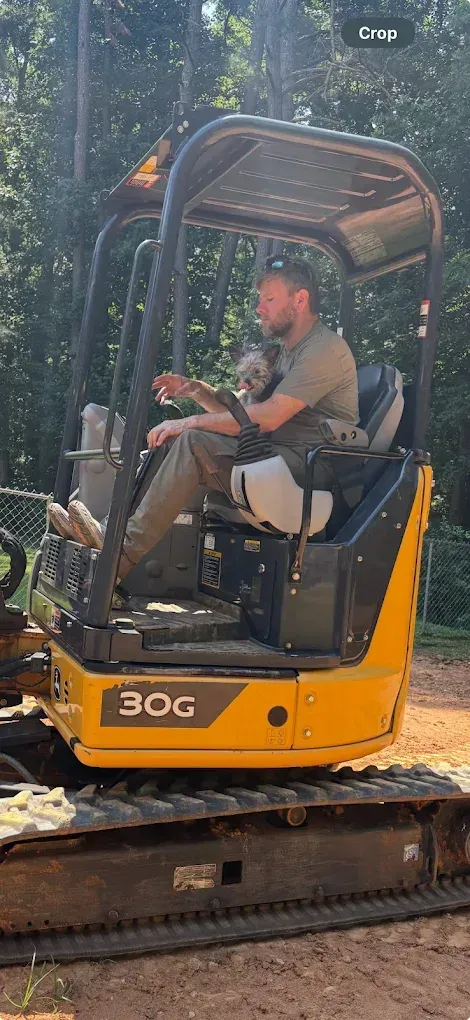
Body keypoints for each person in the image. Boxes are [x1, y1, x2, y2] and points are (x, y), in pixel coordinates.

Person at [48, 256, 359, 582]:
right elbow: (240, 411)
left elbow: (268, 417)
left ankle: (117, 560)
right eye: (259, 300)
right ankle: (106, 533)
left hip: (310, 469)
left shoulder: (324, 350)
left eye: (269, 299)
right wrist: (195, 389)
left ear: (300, 299)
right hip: (272, 457)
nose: (259, 308)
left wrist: (188, 422)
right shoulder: (285, 353)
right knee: (171, 442)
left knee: (193, 441)